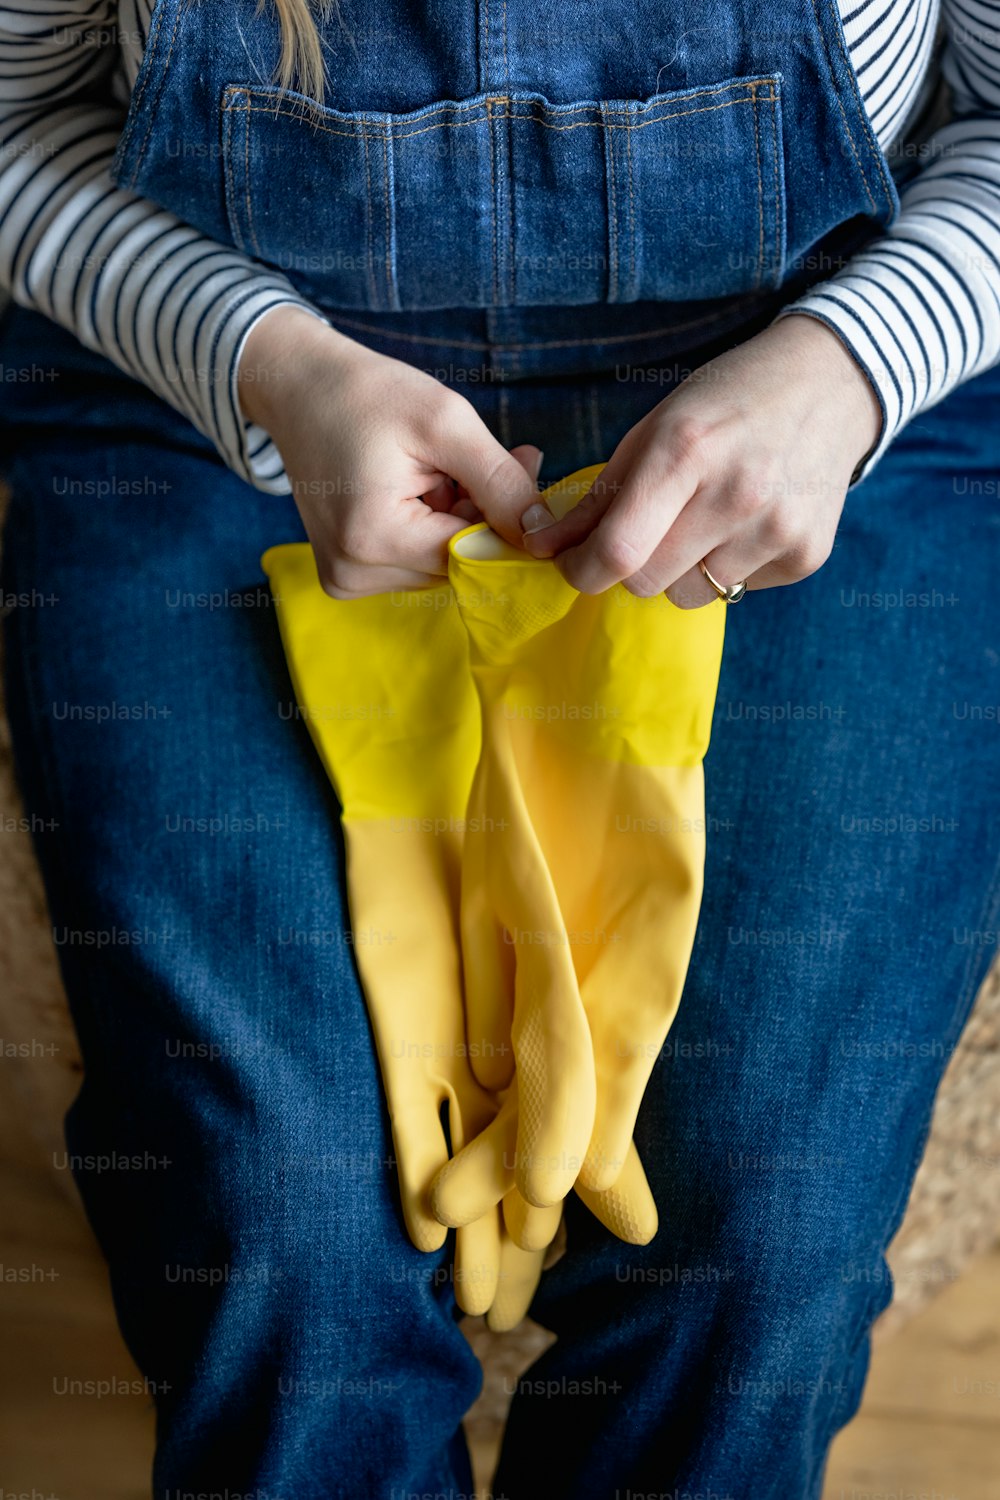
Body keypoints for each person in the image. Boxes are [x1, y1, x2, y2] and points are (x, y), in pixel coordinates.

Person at [1, 0, 999, 1495]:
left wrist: (848, 369)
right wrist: (261, 361)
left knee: (755, 1241)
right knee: (282, 1235)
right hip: (206, 408)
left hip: (829, 399)